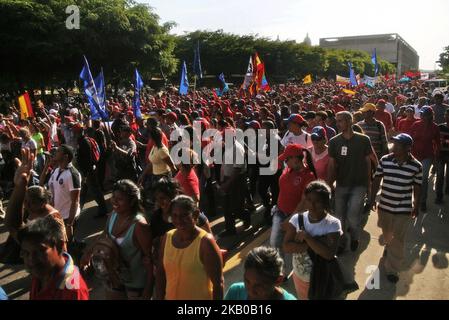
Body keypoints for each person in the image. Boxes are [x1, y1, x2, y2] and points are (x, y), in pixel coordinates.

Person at [81, 180, 153, 299]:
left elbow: (149, 259)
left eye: (120, 199)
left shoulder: (140, 226)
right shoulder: (114, 214)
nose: (114, 201)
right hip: (113, 278)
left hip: (135, 284)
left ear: (132, 201)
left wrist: (148, 290)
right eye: (113, 197)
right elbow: (105, 234)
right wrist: (88, 253)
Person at [371, 134, 422, 283]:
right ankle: (389, 245)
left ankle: (393, 269)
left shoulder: (416, 166)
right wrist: (372, 198)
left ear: (407, 148)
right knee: (388, 235)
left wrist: (416, 205)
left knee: (398, 239)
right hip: (385, 206)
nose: (393, 146)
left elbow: (417, 187)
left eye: (397, 145)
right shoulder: (385, 160)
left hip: (403, 209)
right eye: (393, 144)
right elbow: (377, 179)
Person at [155, 195, 224, 300]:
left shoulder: (206, 242)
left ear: (195, 215)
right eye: (174, 215)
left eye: (184, 215)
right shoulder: (167, 237)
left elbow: (218, 284)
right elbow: (160, 273)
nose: (179, 220)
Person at [283, 180, 342, 300]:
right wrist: (315, 245)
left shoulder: (333, 224)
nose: (312, 205)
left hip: (323, 278)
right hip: (300, 277)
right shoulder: (297, 219)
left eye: (318, 201)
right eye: (309, 200)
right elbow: (286, 246)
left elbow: (329, 254)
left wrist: (307, 238)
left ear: (326, 202)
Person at [328, 111, 372, 253]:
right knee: (339, 217)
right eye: (337, 121)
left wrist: (369, 183)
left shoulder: (364, 140)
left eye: (340, 120)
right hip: (341, 185)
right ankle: (341, 243)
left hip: (359, 185)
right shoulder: (334, 142)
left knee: (353, 216)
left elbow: (368, 162)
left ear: (349, 121)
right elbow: (332, 165)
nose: (337, 123)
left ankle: (354, 237)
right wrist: (329, 184)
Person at [18, 215, 89, 300]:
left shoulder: (73, 291)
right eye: (26, 253)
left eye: (40, 251)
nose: (31, 260)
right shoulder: (42, 272)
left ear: (59, 246)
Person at [270, 144, 316, 263]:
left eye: (287, 159)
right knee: (275, 242)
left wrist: (291, 219)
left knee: (294, 246)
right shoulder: (288, 169)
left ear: (295, 159)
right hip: (280, 212)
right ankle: (281, 271)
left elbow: (304, 202)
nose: (285, 162)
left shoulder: (308, 176)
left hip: (296, 217)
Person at [225, 246, 296, 300]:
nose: (251, 291)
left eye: (259, 285)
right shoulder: (235, 292)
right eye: (247, 281)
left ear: (278, 280)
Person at [48, 145, 81, 242]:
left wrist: (69, 224)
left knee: (67, 244)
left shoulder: (73, 174)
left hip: (68, 218)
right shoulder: (57, 170)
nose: (55, 153)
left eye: (58, 151)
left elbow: (75, 201)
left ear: (66, 157)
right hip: (58, 215)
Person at [410, 106, 441, 211]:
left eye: (425, 115)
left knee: (423, 179)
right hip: (414, 155)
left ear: (430, 116)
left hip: (427, 156)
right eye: (422, 114)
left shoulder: (435, 127)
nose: (422, 116)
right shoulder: (416, 124)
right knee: (412, 178)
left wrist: (436, 159)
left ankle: (422, 201)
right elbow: (409, 140)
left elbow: (437, 144)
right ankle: (412, 199)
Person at [74, 124, 108, 218]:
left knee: (95, 191)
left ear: (78, 131)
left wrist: (86, 173)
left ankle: (103, 210)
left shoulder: (84, 142)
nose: (73, 132)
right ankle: (78, 211)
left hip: (88, 171)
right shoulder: (83, 140)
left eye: (74, 130)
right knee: (84, 191)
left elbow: (88, 158)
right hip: (86, 171)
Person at [436, 108, 449, 203]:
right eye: (446, 115)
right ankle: (439, 196)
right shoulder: (440, 127)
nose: (447, 117)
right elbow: (435, 141)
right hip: (440, 155)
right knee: (440, 176)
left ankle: (447, 190)